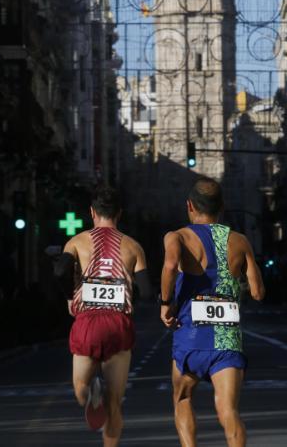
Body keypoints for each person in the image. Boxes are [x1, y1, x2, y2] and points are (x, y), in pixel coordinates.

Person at [161, 177, 265, 447]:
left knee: (182, 397)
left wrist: (165, 303)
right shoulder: (240, 241)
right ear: (222, 207)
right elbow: (257, 292)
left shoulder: (178, 237)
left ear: (189, 207)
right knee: (228, 411)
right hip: (227, 341)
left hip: (191, 338)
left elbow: (171, 266)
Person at [52, 185, 152, 445]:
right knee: (115, 404)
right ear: (119, 214)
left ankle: (90, 394)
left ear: (92, 213)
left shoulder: (77, 241)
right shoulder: (133, 246)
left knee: (79, 390)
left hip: (87, 322)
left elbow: (61, 270)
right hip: (119, 323)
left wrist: (69, 296)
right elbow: (147, 290)